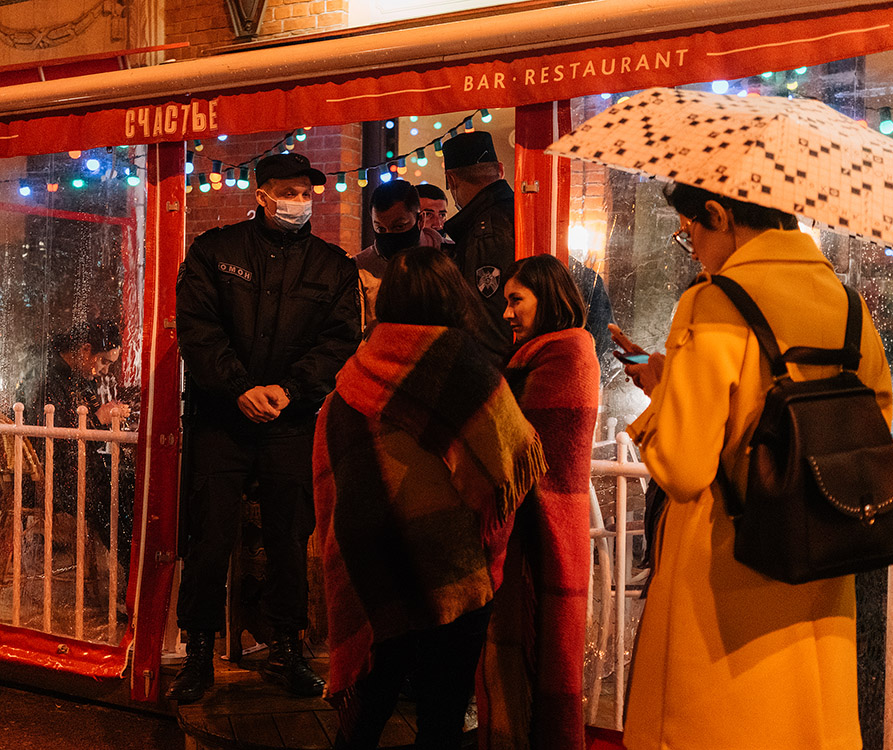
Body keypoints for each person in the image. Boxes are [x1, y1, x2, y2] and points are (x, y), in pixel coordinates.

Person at [613, 183, 893, 750]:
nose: (692, 247)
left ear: (719, 215)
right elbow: (873, 427)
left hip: (724, 580)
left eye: (689, 231)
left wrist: (662, 395)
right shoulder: (850, 309)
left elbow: (684, 468)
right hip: (821, 571)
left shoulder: (713, 303)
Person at [313, 246, 546, 749]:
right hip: (446, 560)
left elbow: (335, 471)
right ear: (452, 296)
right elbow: (508, 457)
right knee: (441, 716)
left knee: (370, 702)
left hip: (369, 560)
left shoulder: (354, 371)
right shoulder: (458, 362)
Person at [169, 152, 361, 703]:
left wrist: (290, 390)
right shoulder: (216, 250)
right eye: (289, 191)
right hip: (221, 419)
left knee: (289, 538)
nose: (299, 201)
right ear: (261, 195)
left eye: (306, 192)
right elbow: (197, 328)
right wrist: (238, 387)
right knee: (209, 537)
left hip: (290, 421)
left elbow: (340, 340)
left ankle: (287, 649)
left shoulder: (332, 265)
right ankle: (199, 652)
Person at [478, 254, 600, 750]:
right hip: (535, 523)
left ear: (547, 298)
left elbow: (526, 445)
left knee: (540, 649)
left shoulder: (565, 353)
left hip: (543, 527)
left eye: (517, 300)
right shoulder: (531, 355)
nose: (507, 313)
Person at [22, 320, 134, 583]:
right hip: (48, 478)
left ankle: (134, 571)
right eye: (103, 361)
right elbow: (57, 441)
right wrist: (98, 418)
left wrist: (104, 417)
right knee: (112, 498)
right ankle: (133, 573)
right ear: (85, 350)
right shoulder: (48, 378)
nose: (104, 370)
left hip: (75, 471)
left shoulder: (77, 377)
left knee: (129, 485)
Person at [441, 131, 515, 363]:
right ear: (500, 169)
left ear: (451, 180)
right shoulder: (518, 212)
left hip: (495, 374)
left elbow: (488, 324)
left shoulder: (485, 233)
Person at [355, 179, 442, 333]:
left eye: (399, 227)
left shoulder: (449, 255)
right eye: (380, 229)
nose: (389, 235)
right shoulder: (361, 268)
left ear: (420, 220)